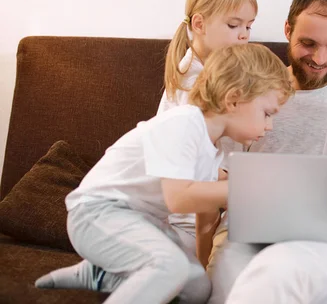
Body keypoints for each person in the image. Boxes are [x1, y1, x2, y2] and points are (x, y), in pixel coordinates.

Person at [35, 43, 294, 304]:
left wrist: (203, 270)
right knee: (170, 266)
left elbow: (205, 218)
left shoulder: (212, 150)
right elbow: (178, 198)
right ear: (233, 99)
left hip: (146, 222)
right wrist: (246, 186)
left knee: (197, 290)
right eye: (267, 113)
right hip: (98, 212)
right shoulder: (184, 123)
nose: (269, 126)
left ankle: (100, 275)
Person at [206, 0, 327, 304]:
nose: (319, 58)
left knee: (288, 280)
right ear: (287, 29)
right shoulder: (251, 89)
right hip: (247, 234)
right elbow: (221, 177)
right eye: (308, 43)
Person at [157, 0, 258, 259]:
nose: (244, 35)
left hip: (213, 211)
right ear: (199, 24)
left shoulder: (218, 74)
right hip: (190, 220)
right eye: (234, 25)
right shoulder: (192, 85)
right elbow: (193, 163)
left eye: (249, 27)